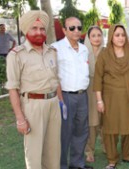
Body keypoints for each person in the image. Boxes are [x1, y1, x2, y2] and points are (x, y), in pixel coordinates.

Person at [5, 10, 61, 169]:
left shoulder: (52, 52)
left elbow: (56, 80)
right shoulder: (16, 55)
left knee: (53, 151)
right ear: (26, 30)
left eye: (42, 29)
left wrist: (61, 103)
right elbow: (13, 89)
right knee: (34, 154)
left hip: (53, 104)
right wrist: (20, 118)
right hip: (33, 106)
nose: (39, 32)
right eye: (34, 28)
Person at [93, 24, 129, 169]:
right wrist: (99, 101)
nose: (121, 38)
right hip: (110, 98)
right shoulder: (104, 54)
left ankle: (128, 155)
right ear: (111, 36)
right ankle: (112, 159)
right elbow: (98, 78)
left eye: (123, 35)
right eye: (117, 35)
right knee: (110, 129)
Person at [52, 17, 92, 169]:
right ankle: (61, 165)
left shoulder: (84, 49)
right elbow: (53, 75)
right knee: (64, 133)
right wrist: (60, 98)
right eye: (72, 28)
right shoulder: (55, 48)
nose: (76, 31)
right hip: (65, 96)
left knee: (81, 131)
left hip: (83, 95)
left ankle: (77, 164)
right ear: (64, 30)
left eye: (79, 28)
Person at [84, 25, 105, 162]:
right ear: (88, 38)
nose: (97, 38)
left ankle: (106, 146)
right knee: (92, 120)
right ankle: (89, 150)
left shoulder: (107, 51)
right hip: (90, 87)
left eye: (99, 35)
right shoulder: (83, 52)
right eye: (93, 35)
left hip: (106, 87)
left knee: (106, 118)